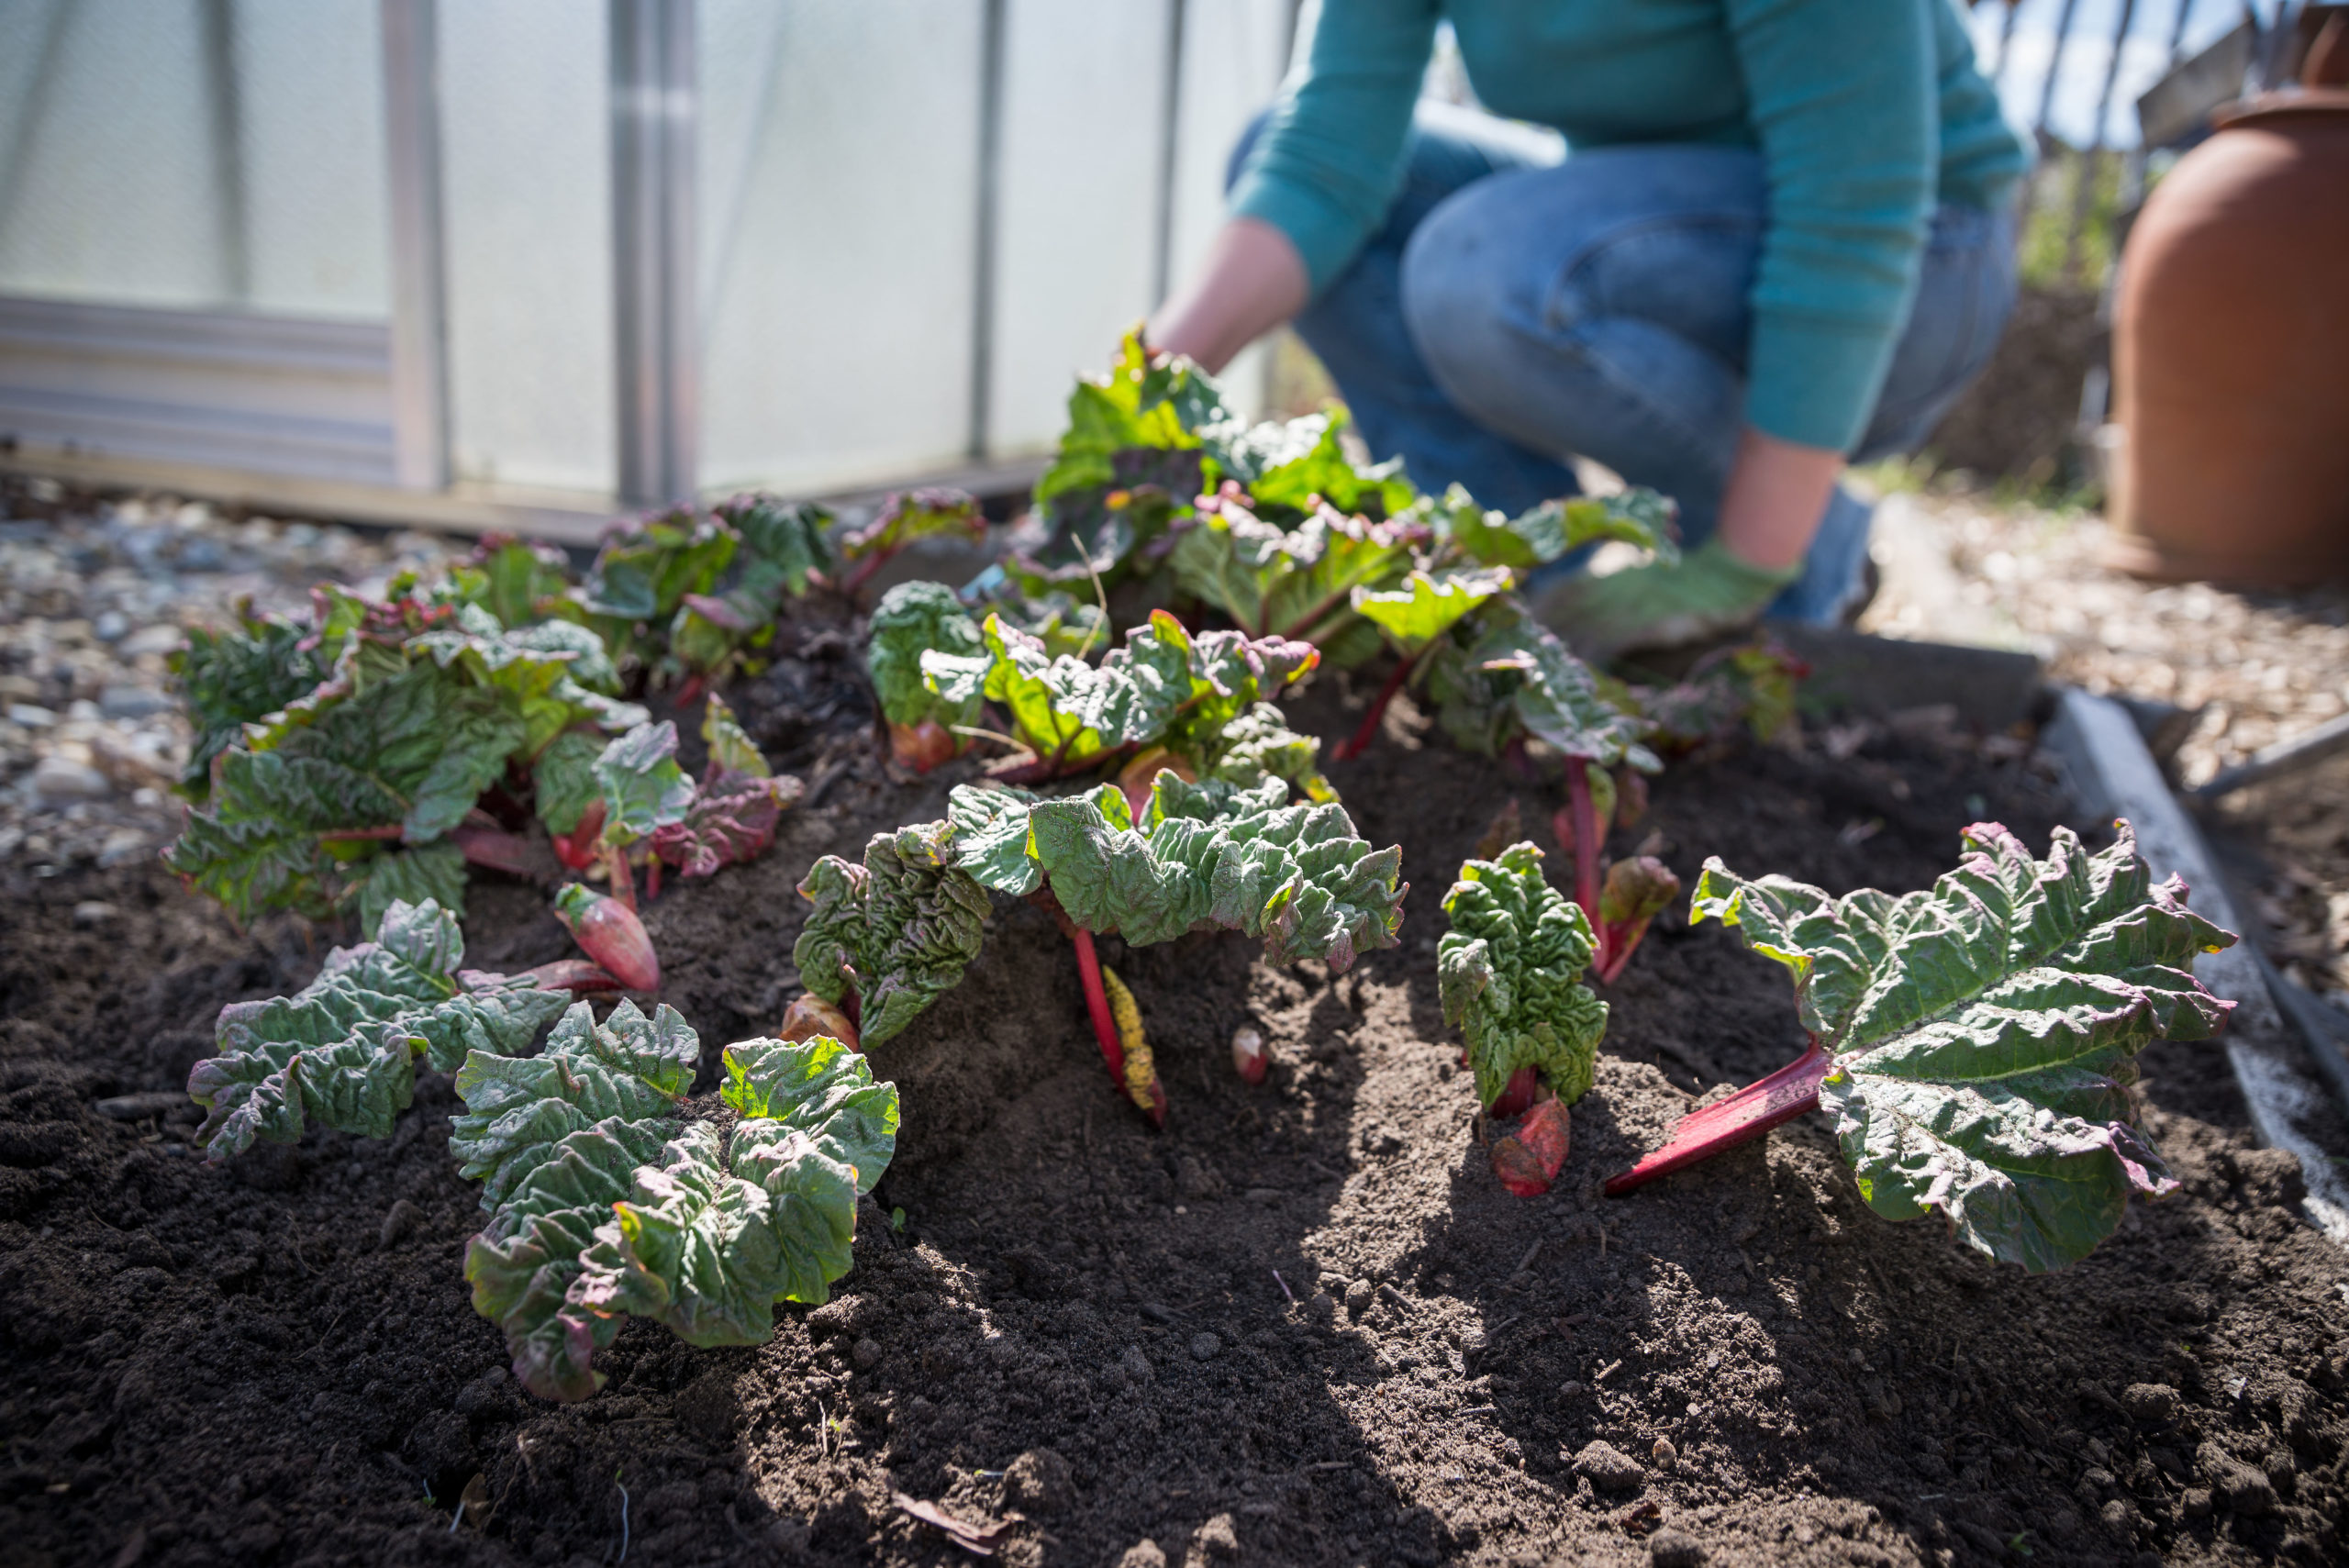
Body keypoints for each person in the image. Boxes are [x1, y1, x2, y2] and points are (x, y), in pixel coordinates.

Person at [1148, 0, 2029, 659]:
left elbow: (1854, 209)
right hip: (1658, 218)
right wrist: (1145, 399)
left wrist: (1751, 556)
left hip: (1916, 258)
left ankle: (1795, 547)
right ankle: (1521, 577)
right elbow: (1323, 159)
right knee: (1293, 165)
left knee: (1484, 272)